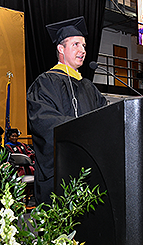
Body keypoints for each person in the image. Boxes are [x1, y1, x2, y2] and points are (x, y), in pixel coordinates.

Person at [27, 16, 107, 205]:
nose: (83, 50)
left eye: (84, 46)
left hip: (89, 171)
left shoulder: (88, 86)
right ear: (61, 49)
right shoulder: (45, 83)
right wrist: (83, 130)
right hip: (59, 173)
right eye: (76, 44)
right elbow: (43, 121)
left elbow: (105, 118)